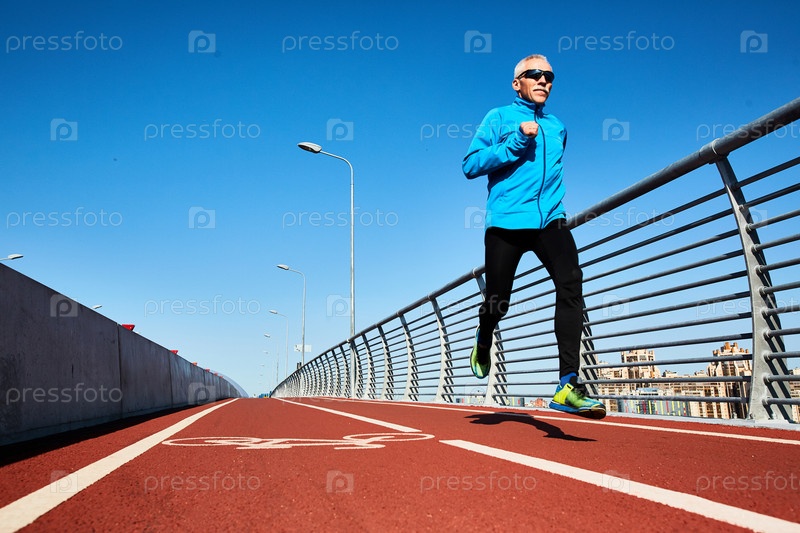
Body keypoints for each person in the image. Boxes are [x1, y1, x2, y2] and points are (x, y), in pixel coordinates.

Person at [462, 54, 605, 419]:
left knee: (571, 283)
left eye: (549, 76)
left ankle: (568, 384)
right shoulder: (498, 117)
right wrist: (516, 142)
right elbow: (470, 165)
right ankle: (484, 334)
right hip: (507, 223)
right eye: (535, 74)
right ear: (517, 83)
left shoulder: (558, 127)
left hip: (550, 222)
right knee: (498, 301)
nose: (544, 81)